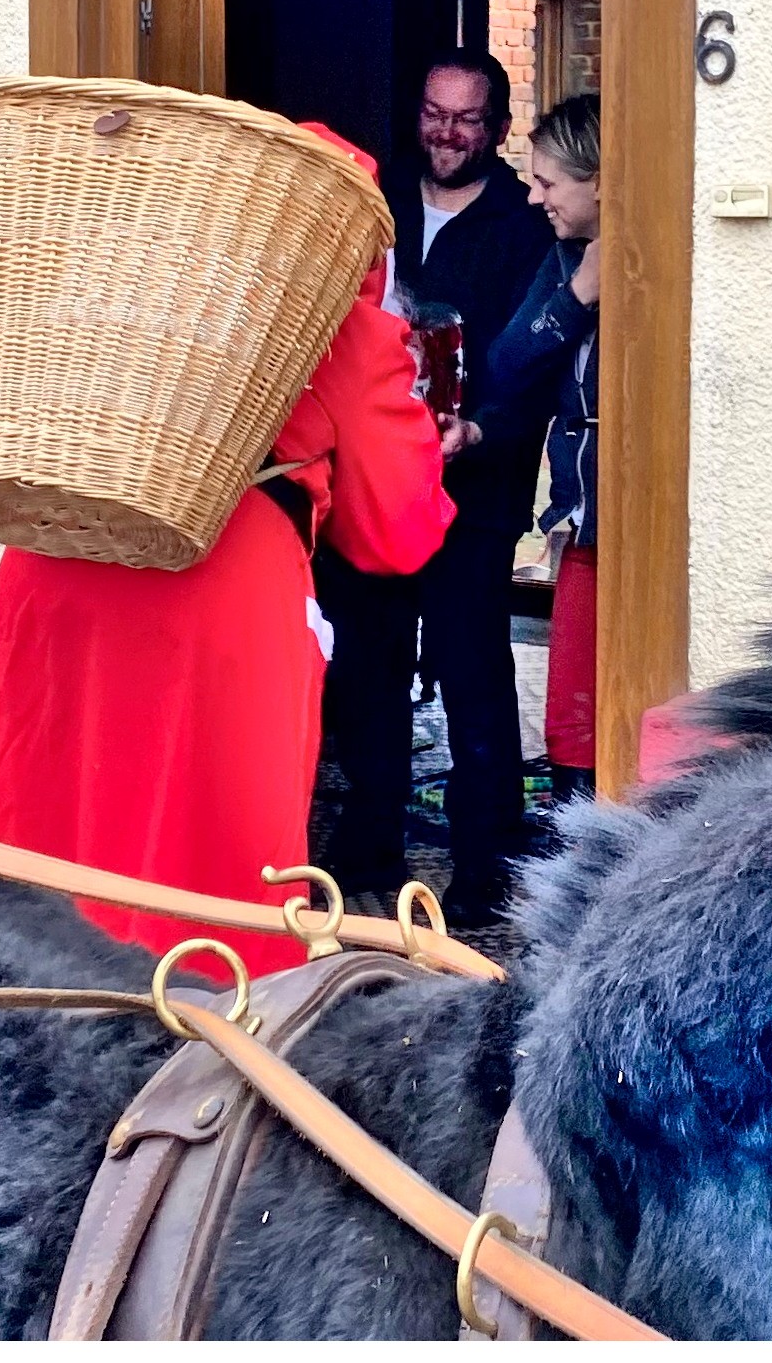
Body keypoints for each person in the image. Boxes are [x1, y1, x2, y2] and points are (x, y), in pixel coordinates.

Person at [0, 124, 454, 979]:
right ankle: (189, 1054)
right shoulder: (336, 326)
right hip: (219, 591)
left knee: (35, 816)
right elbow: (396, 531)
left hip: (52, 557)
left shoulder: (110, 279)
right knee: (203, 866)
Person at [318, 50, 554, 928]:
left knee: (472, 668)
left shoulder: (524, 226)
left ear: (497, 129)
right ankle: (369, 835)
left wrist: (479, 426)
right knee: (370, 663)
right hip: (373, 483)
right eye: (434, 112)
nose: (446, 132)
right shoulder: (368, 206)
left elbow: (534, 355)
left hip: (476, 487)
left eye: (467, 118)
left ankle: (486, 854)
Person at [486, 93, 601, 804]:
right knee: (571, 716)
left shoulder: (667, 255)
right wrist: (579, 294)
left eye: (547, 182)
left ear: (601, 180)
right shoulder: (565, 260)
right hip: (582, 524)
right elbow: (505, 361)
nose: (533, 197)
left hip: (641, 525)